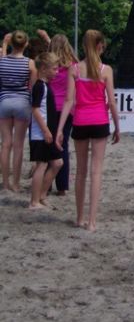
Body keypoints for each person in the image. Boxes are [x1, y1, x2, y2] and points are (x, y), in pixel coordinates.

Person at [56, 30, 120, 231]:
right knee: (96, 171)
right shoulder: (105, 70)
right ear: (100, 46)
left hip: (81, 122)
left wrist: (59, 129)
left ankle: (79, 218)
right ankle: (92, 221)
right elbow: (112, 102)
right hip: (99, 121)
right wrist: (118, 127)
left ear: (84, 46)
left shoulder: (75, 69)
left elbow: (68, 101)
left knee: (81, 171)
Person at [0, 31, 36, 192]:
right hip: (22, 102)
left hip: (4, 102)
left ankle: (5, 183)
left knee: (5, 144)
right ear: (26, 44)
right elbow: (32, 88)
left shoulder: (2, 62)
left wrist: (4, 44)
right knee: (18, 145)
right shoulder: (30, 63)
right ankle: (15, 183)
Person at [29, 52, 63, 209]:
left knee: (57, 163)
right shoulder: (39, 86)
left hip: (48, 133)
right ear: (43, 68)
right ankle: (34, 201)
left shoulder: (46, 86)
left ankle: (42, 195)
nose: (57, 72)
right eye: (54, 69)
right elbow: (35, 110)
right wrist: (45, 131)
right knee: (41, 165)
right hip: (40, 134)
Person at [48, 33, 78, 196]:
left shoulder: (48, 65)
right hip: (68, 109)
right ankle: (62, 186)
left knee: (48, 144)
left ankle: (46, 183)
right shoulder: (73, 66)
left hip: (50, 107)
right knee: (63, 145)